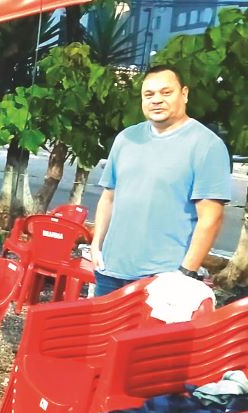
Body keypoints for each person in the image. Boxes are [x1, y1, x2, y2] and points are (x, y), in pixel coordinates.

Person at [90, 65, 231, 296]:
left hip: (163, 279)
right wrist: (96, 245)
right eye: (149, 94)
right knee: (101, 322)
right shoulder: (126, 138)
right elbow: (109, 198)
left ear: (184, 94)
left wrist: (185, 273)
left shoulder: (207, 145)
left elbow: (211, 218)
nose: (156, 100)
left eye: (166, 92)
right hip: (110, 270)